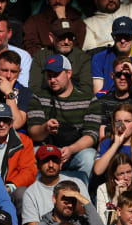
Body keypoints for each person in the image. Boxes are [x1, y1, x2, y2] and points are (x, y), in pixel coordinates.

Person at [26, 55, 99, 185]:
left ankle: (81, 194)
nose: (52, 80)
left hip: (75, 151)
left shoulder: (87, 98)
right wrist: (45, 128)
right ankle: (40, 194)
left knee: (90, 156)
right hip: (47, 149)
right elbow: (33, 132)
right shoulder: (39, 96)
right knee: (31, 153)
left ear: (69, 73)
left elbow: (91, 135)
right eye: (49, 75)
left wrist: (71, 149)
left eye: (56, 75)